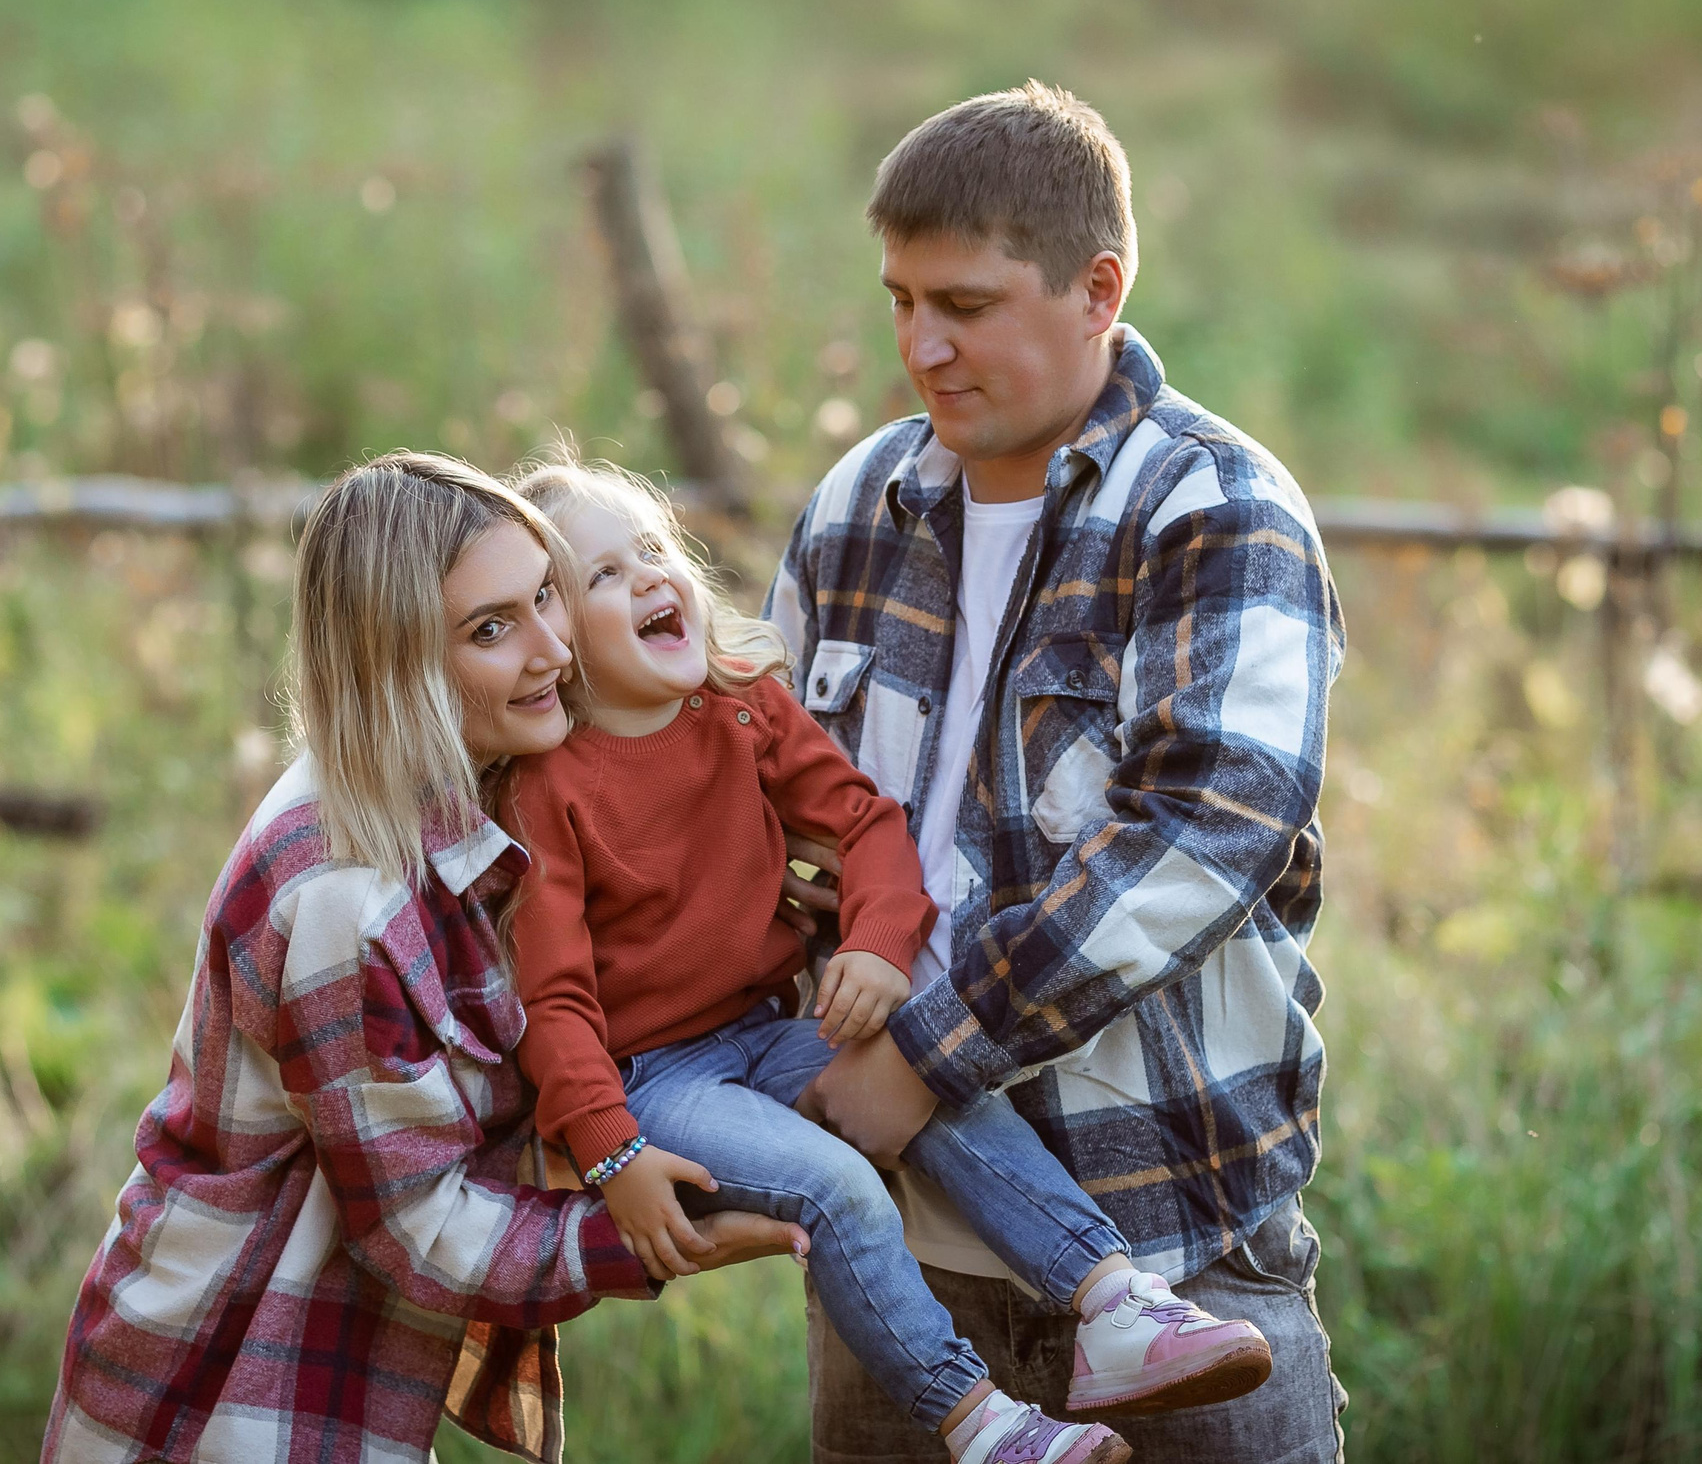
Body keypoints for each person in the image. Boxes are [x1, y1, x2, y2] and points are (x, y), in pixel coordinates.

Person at [767, 83, 1350, 1462]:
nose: (922, 345)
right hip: (899, 1264)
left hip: (1177, 1248)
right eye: (902, 300)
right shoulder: (855, 509)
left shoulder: (1215, 508)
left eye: (965, 306)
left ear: (1099, 289)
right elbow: (772, 813)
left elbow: (1200, 832)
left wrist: (928, 1054)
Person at [497, 452, 1273, 1464]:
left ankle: (1112, 1301)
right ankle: (978, 1422)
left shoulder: (742, 707)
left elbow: (864, 823)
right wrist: (613, 1154)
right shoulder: (546, 789)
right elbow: (551, 1000)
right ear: (555, 637)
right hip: (655, 1080)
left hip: (766, 1031)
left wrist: (876, 942)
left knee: (931, 1077)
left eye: (651, 548)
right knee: (838, 1183)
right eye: (605, 574)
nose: (649, 575)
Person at [43, 451, 806, 1464]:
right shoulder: (343, 900)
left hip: (333, 1382)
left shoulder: (454, 793)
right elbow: (418, 1229)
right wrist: (642, 1236)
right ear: (397, 662)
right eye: (491, 629)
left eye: (546, 595)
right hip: (227, 1387)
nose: (555, 648)